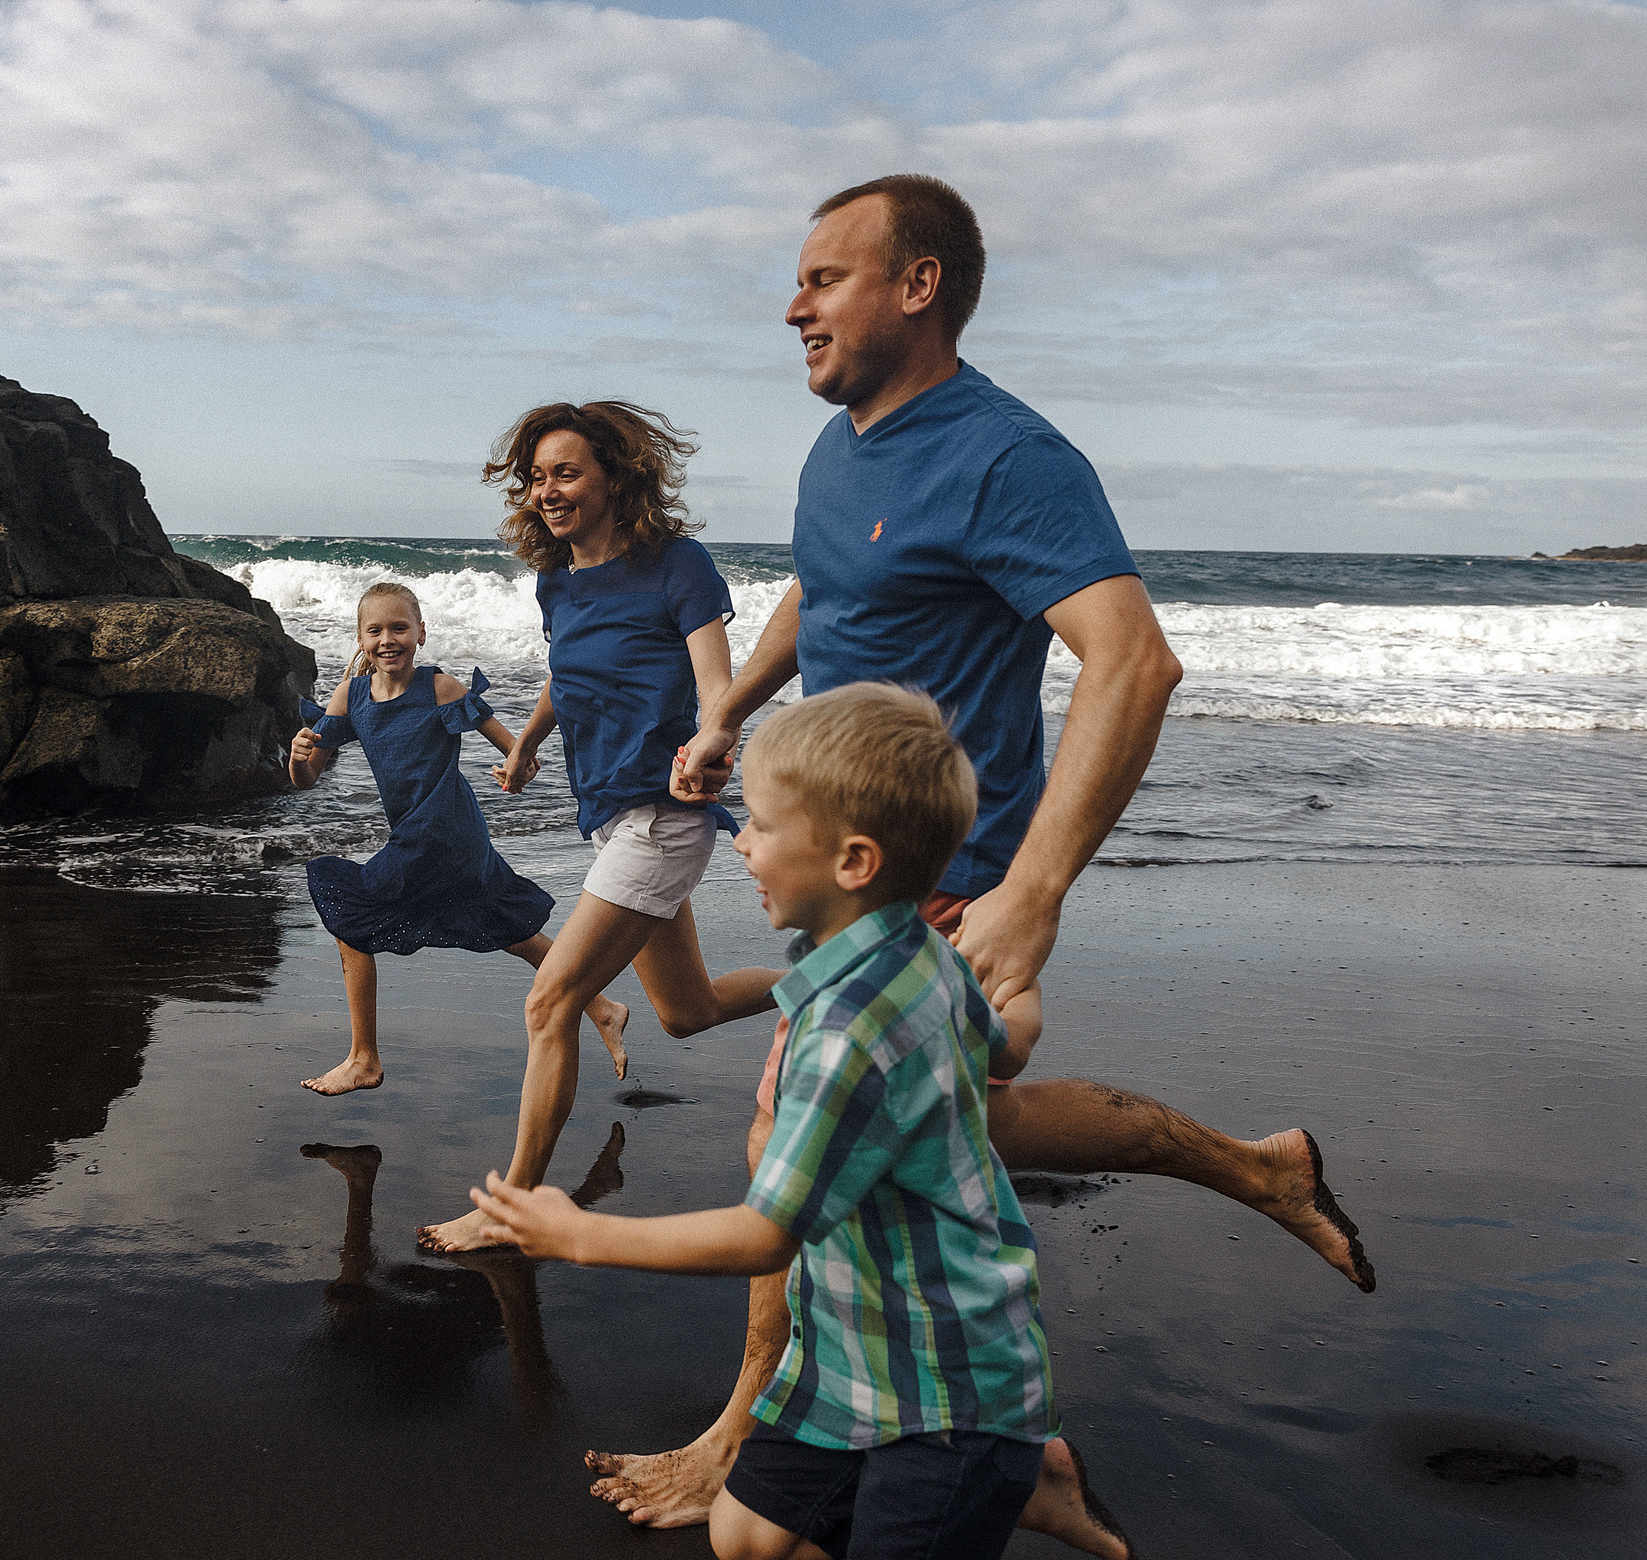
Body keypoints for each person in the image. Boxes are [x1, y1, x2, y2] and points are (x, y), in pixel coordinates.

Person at [584, 174, 1370, 1553]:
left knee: (795, 1139)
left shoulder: (1008, 457)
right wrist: (731, 709)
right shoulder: (842, 454)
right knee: (947, 1135)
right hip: (848, 878)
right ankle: (1248, 1183)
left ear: (918, 285)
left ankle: (748, 1434)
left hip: (939, 883)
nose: (794, 304)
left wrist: (1030, 895)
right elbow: (826, 589)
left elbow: (1135, 659)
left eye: (824, 277)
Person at [477, 683, 1059, 1560]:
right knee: (743, 1534)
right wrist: (1024, 1009)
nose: (738, 841)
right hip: (854, 1349)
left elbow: (765, 1236)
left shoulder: (847, 1029)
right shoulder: (920, 946)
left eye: (760, 825)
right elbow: (1003, 1050)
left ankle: (1015, 1480)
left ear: (853, 862)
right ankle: (1023, 1487)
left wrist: (579, 1234)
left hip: (946, 1389)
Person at [412, 402, 785, 1253]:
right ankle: (834, 978)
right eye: (538, 476)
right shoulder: (558, 580)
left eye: (567, 472)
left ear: (616, 477)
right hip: (609, 814)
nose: (548, 490)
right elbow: (565, 673)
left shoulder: (675, 566)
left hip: (663, 815)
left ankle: (513, 1208)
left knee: (552, 1004)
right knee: (686, 1011)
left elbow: (714, 680)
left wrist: (714, 738)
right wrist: (530, 744)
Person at [289, 580, 629, 1095]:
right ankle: (601, 1006)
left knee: (347, 907)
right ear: (360, 638)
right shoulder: (352, 697)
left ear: (421, 633)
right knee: (502, 927)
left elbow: (518, 749)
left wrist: (519, 769)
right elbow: (307, 778)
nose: (388, 639)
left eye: (400, 627)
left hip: (443, 831)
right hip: (433, 836)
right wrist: (295, 758)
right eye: (375, 630)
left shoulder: (439, 688)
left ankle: (364, 1057)